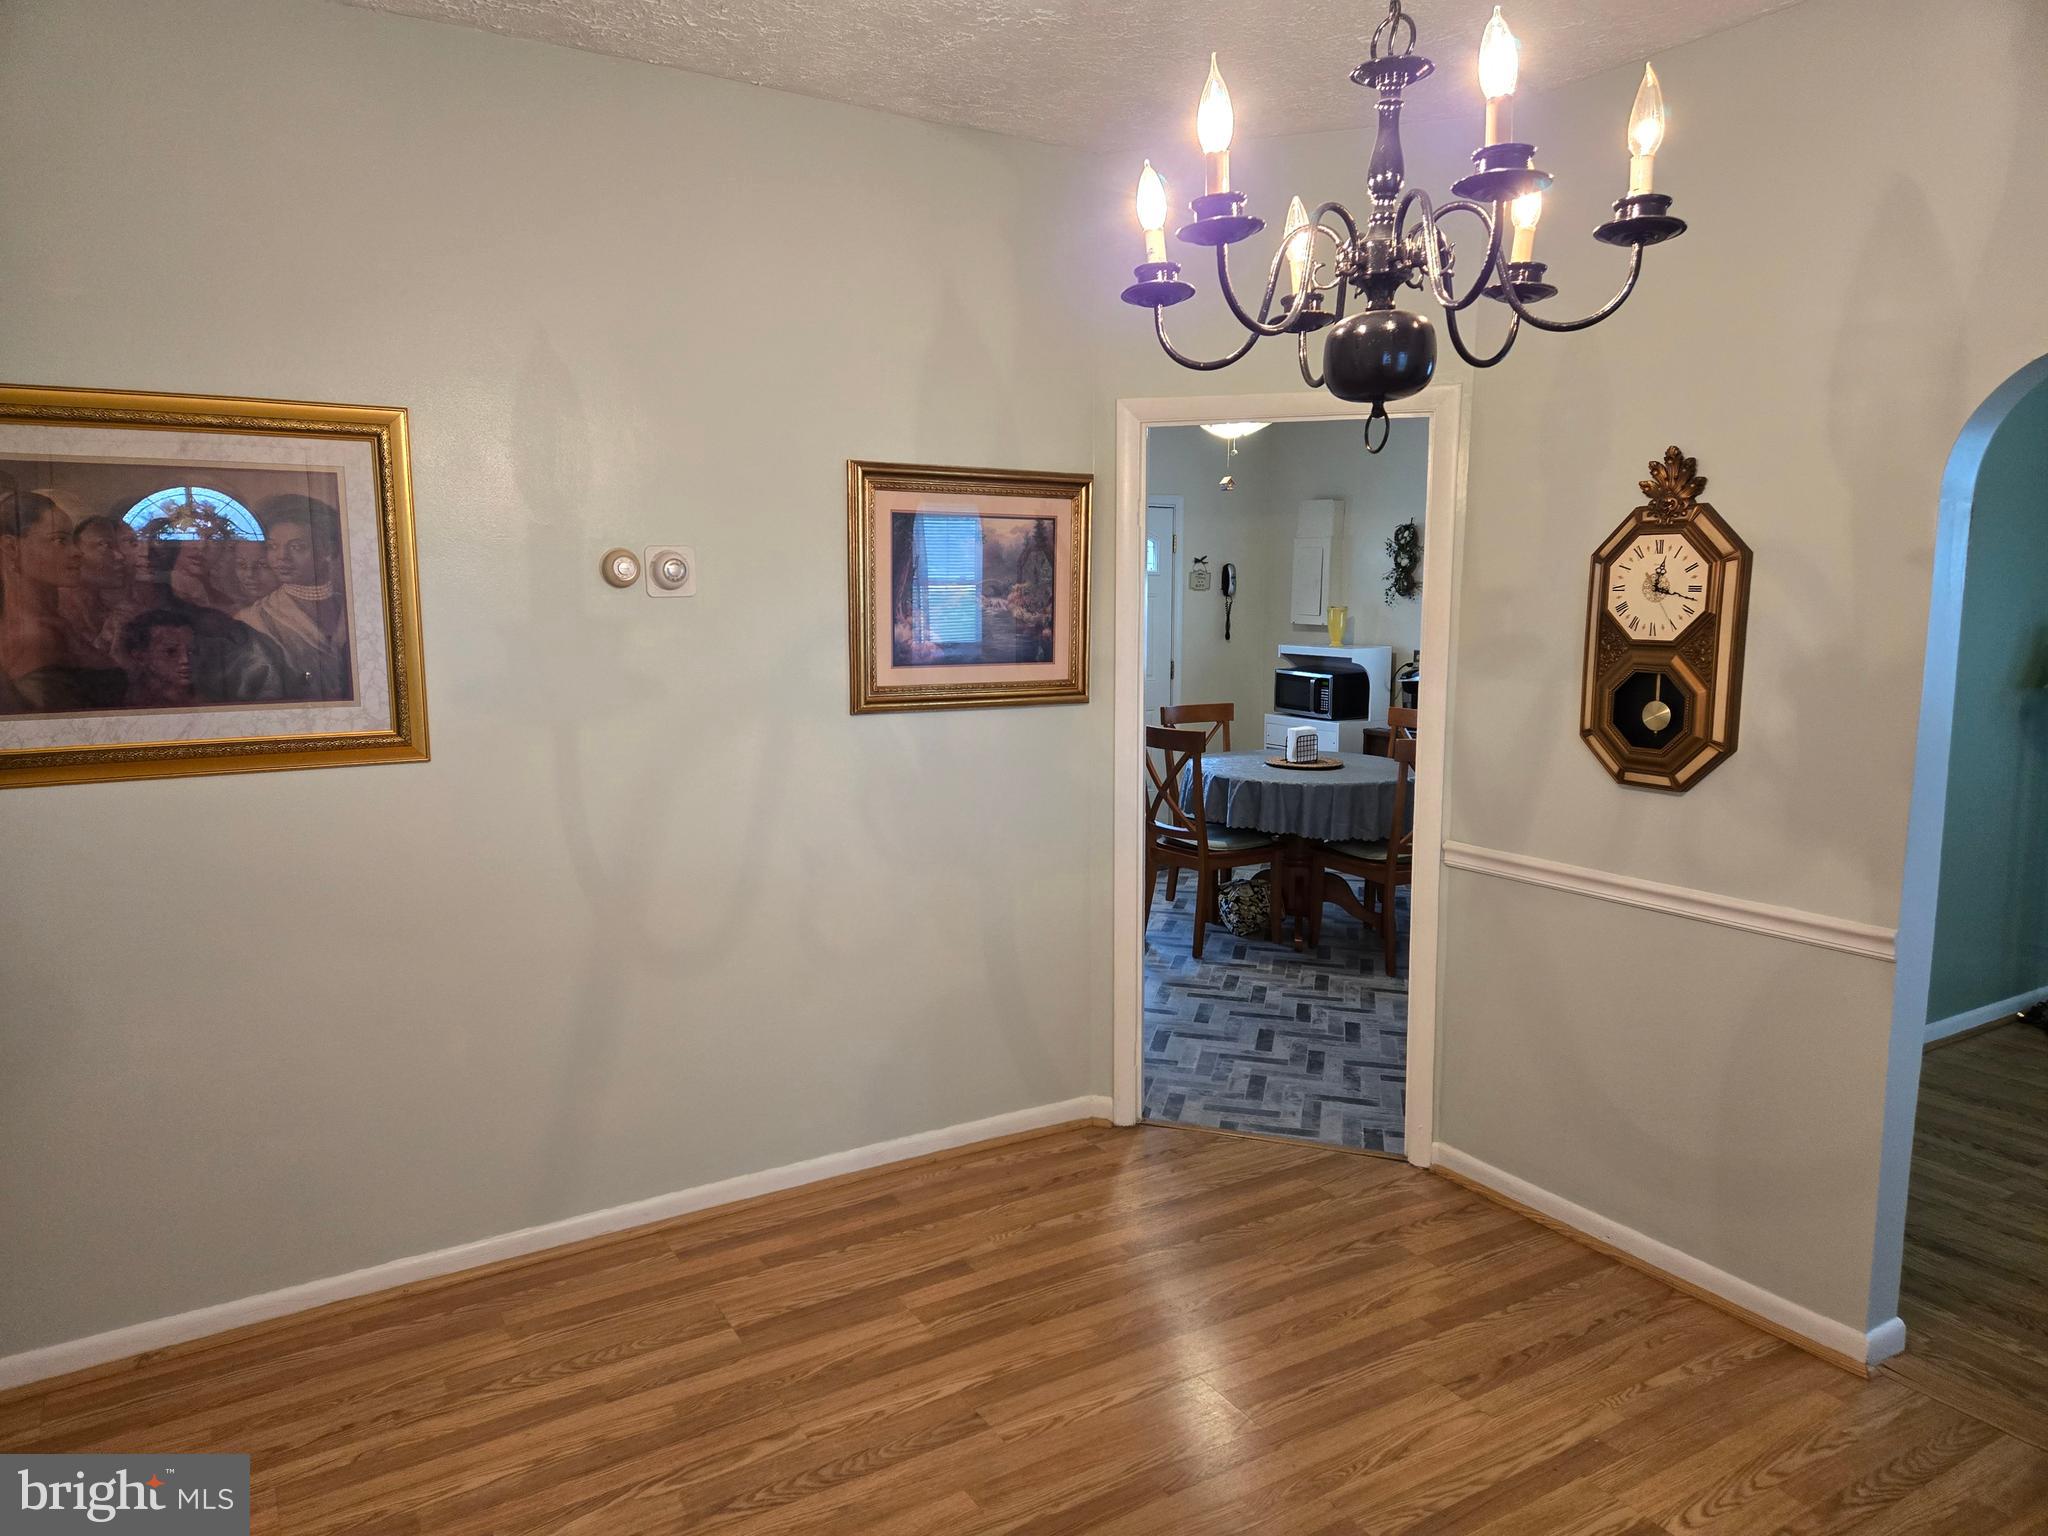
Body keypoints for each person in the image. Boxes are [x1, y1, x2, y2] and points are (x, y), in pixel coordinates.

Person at [0, 488, 123, 711]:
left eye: (73, 540)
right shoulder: (33, 636)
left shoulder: (55, 624)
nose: (77, 552)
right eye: (59, 540)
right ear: (11, 547)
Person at [239, 497, 351, 700]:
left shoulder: (352, 607)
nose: (281, 557)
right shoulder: (254, 619)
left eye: (297, 547)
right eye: (272, 547)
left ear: (328, 550)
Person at [119, 608, 198, 708]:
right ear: (141, 657)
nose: (185, 660)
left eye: (191, 651)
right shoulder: (132, 702)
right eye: (171, 651)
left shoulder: (201, 697)